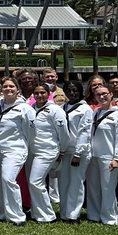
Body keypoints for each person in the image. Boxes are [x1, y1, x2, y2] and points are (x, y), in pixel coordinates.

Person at [0, 77, 35, 226]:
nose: (8, 89)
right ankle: (3, 212)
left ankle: (17, 215)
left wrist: (24, 145)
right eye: (5, 86)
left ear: (18, 90)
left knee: (8, 179)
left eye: (11, 87)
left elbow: (31, 131)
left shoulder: (25, 108)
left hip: (15, 149)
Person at [86, 84, 118, 225]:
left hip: (108, 157)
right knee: (93, 187)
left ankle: (109, 218)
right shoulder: (95, 113)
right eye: (98, 95)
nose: (102, 97)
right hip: (93, 156)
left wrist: (117, 158)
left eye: (104, 94)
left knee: (107, 188)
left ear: (111, 95)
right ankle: (93, 214)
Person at [27, 83, 69, 223]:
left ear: (48, 94)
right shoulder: (31, 109)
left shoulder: (55, 110)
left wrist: (62, 150)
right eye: (37, 93)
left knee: (35, 181)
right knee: (33, 182)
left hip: (48, 150)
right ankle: (36, 212)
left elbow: (63, 133)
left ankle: (48, 215)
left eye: (43, 93)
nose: (39, 96)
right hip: (32, 150)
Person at [58, 80, 92, 223]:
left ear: (81, 91)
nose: (72, 93)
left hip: (78, 152)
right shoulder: (62, 108)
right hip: (64, 151)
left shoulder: (85, 110)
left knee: (76, 183)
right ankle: (64, 212)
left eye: (75, 90)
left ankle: (73, 214)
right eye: (69, 90)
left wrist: (78, 153)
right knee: (63, 182)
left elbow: (85, 132)